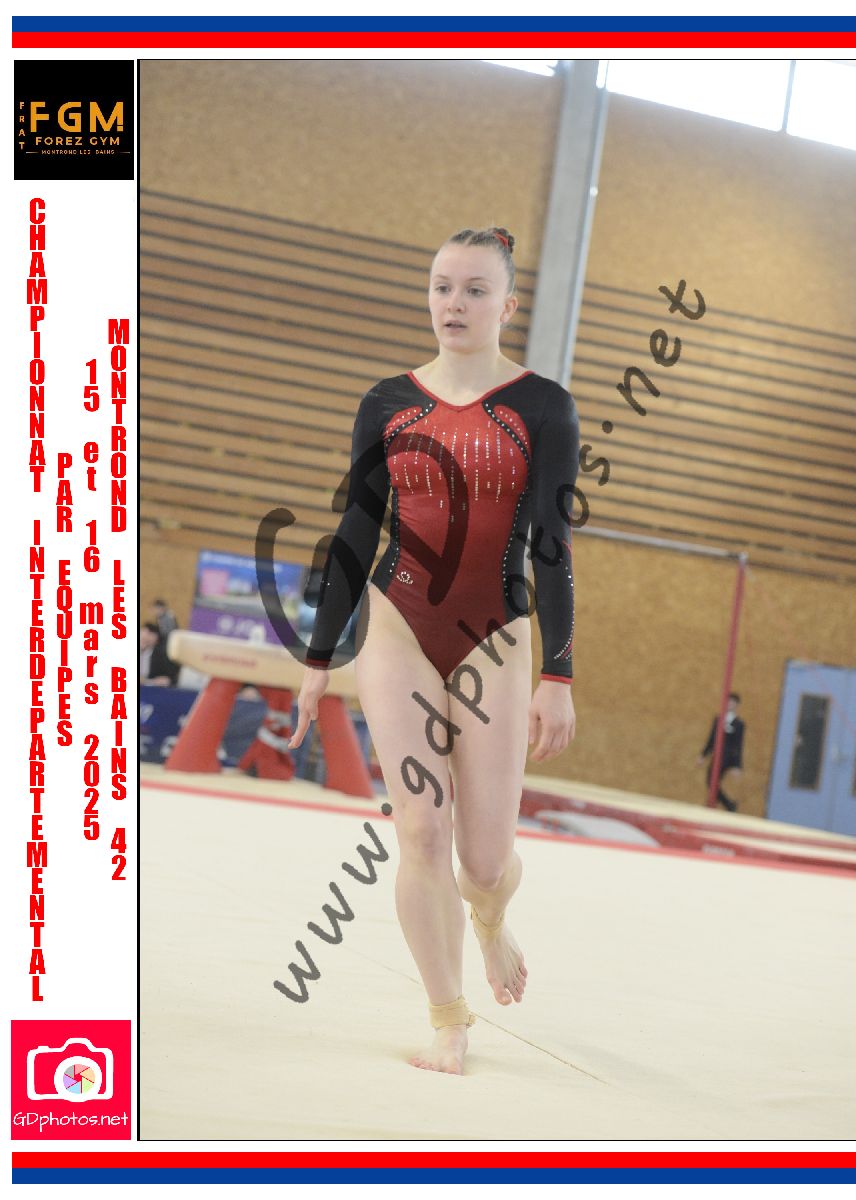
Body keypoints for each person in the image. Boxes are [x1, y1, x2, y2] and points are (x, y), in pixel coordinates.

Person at [289, 227, 580, 1075]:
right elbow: (356, 531)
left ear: (508, 305)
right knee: (420, 827)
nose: (455, 304)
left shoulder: (543, 406)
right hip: (398, 622)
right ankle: (448, 1019)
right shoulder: (388, 402)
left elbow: (553, 544)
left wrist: (557, 674)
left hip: (497, 631)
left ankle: (490, 917)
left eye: (475, 290)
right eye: (443, 286)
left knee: (482, 862)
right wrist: (317, 658)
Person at [696, 692, 744, 812]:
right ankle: (727, 804)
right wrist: (703, 755)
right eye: (728, 702)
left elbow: (738, 745)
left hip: (727, 757)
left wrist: (737, 765)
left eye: (733, 702)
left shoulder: (739, 724)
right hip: (717, 755)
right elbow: (712, 738)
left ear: (737, 705)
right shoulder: (718, 719)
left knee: (712, 780)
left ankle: (720, 804)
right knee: (711, 780)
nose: (730, 704)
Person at [139, 622, 180, 687]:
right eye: (143, 637)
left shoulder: (161, 656)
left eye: (151, 635)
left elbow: (170, 678)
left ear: (156, 641)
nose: (147, 637)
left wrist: (165, 680)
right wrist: (150, 681)